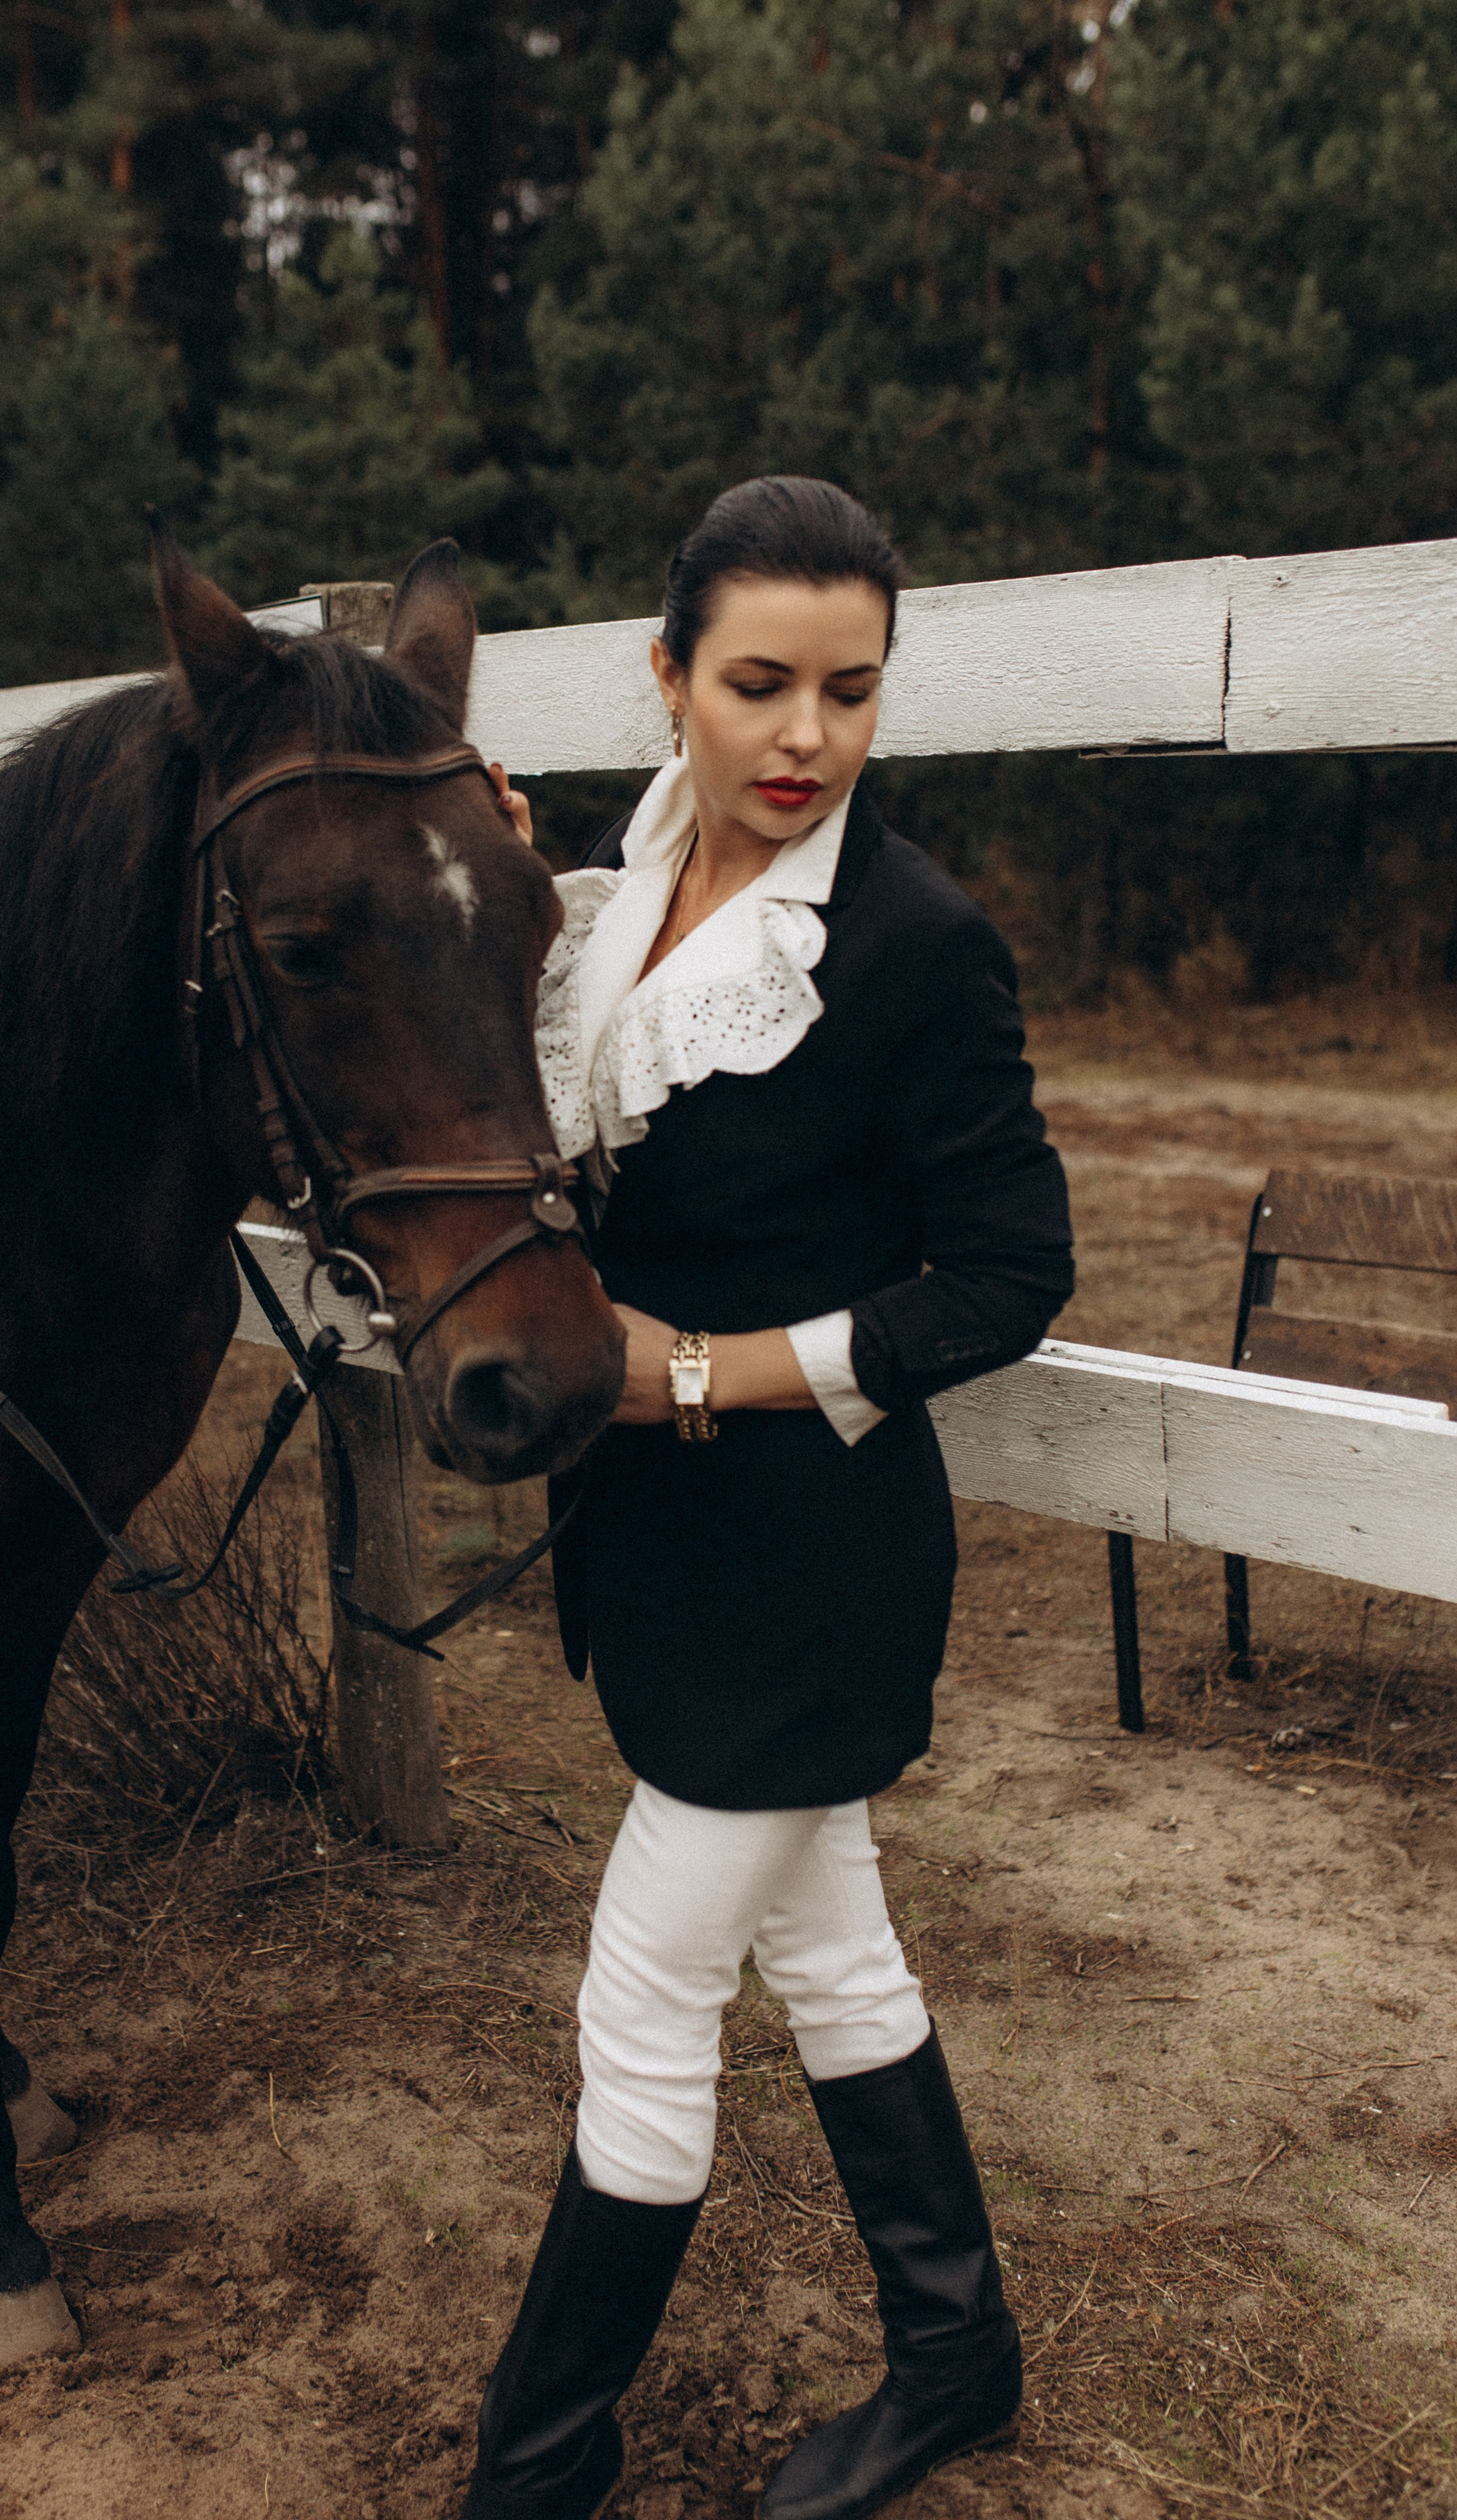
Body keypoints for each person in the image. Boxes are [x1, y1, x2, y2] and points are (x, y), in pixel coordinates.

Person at [464, 477, 1075, 2520]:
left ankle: (535, 2470)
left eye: (849, 692)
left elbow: (1010, 1275)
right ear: (669, 682)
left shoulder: (911, 946)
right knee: (833, 1956)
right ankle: (958, 2353)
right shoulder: (612, 899)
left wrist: (709, 1374)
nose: (805, 736)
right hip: (658, 1551)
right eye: (758, 686)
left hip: (813, 1559)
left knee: (643, 1996)